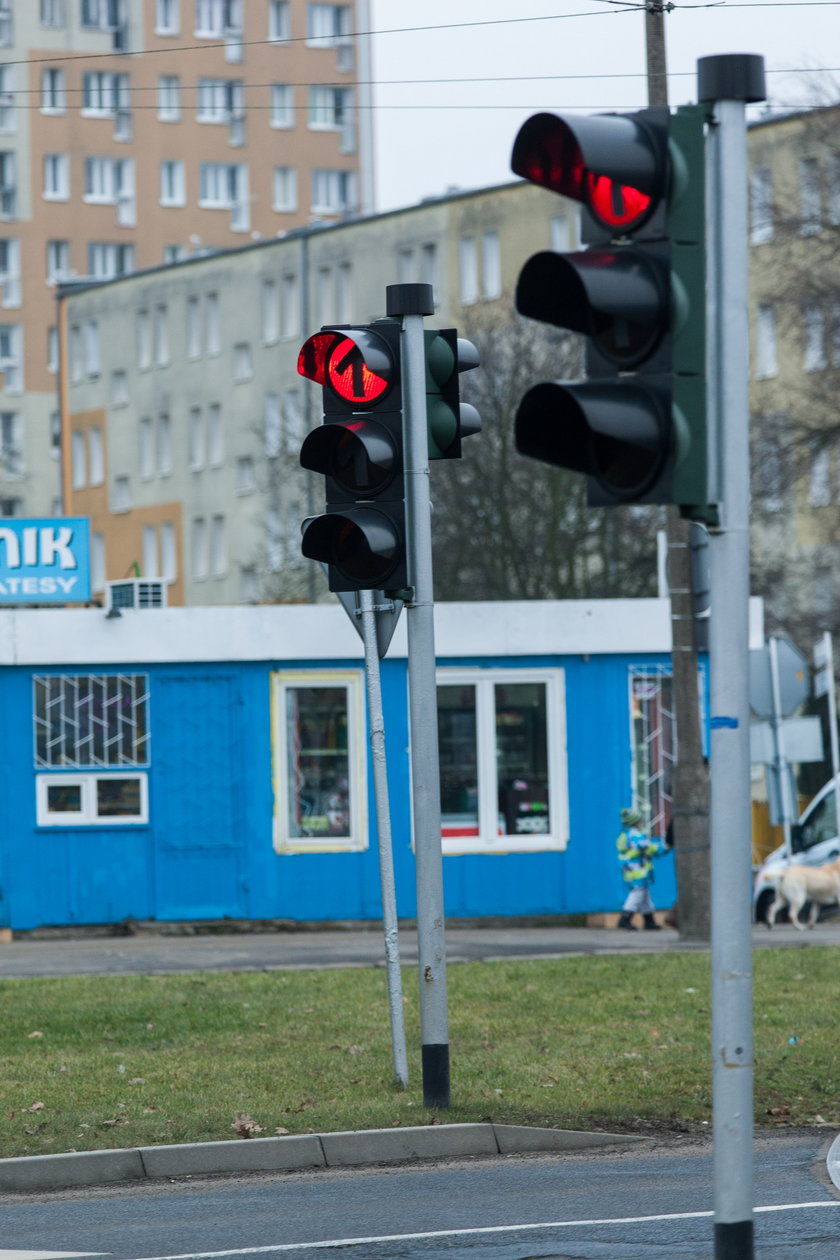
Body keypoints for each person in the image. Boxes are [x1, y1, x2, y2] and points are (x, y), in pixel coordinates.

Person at [616, 807, 665, 931]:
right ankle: (625, 918)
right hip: (637, 870)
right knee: (637, 893)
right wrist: (664, 848)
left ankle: (649, 920)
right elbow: (648, 848)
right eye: (639, 821)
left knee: (644, 895)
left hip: (630, 870)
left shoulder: (625, 835)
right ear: (635, 822)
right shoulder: (635, 835)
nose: (640, 823)